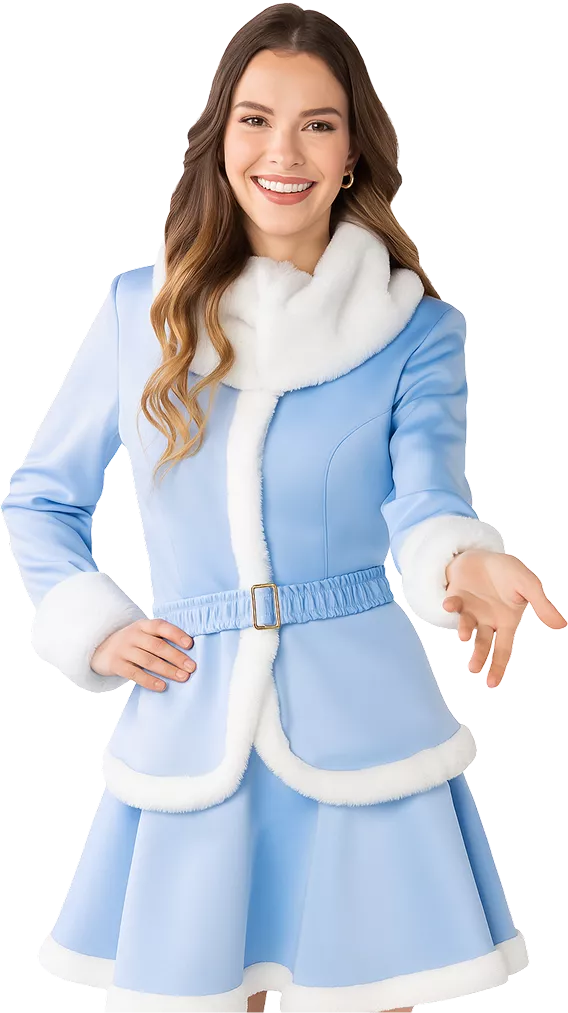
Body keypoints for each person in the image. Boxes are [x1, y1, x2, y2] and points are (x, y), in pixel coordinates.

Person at [4, 5, 561, 1012]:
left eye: (317, 124)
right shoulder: (142, 310)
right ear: (221, 140)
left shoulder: (417, 329)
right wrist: (94, 621)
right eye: (256, 120)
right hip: (191, 716)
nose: (284, 152)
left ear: (353, 153)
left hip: (363, 721)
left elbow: (426, 497)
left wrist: (462, 556)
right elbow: (43, 499)